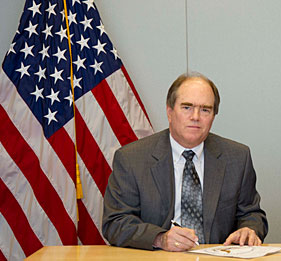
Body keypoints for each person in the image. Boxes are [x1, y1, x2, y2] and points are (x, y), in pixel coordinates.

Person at [102, 72, 268, 251]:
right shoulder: (132, 159)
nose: (195, 116)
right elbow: (115, 222)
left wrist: (249, 230)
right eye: (187, 107)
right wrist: (160, 238)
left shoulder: (237, 157)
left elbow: (252, 214)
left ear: (213, 116)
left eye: (205, 109)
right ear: (169, 111)